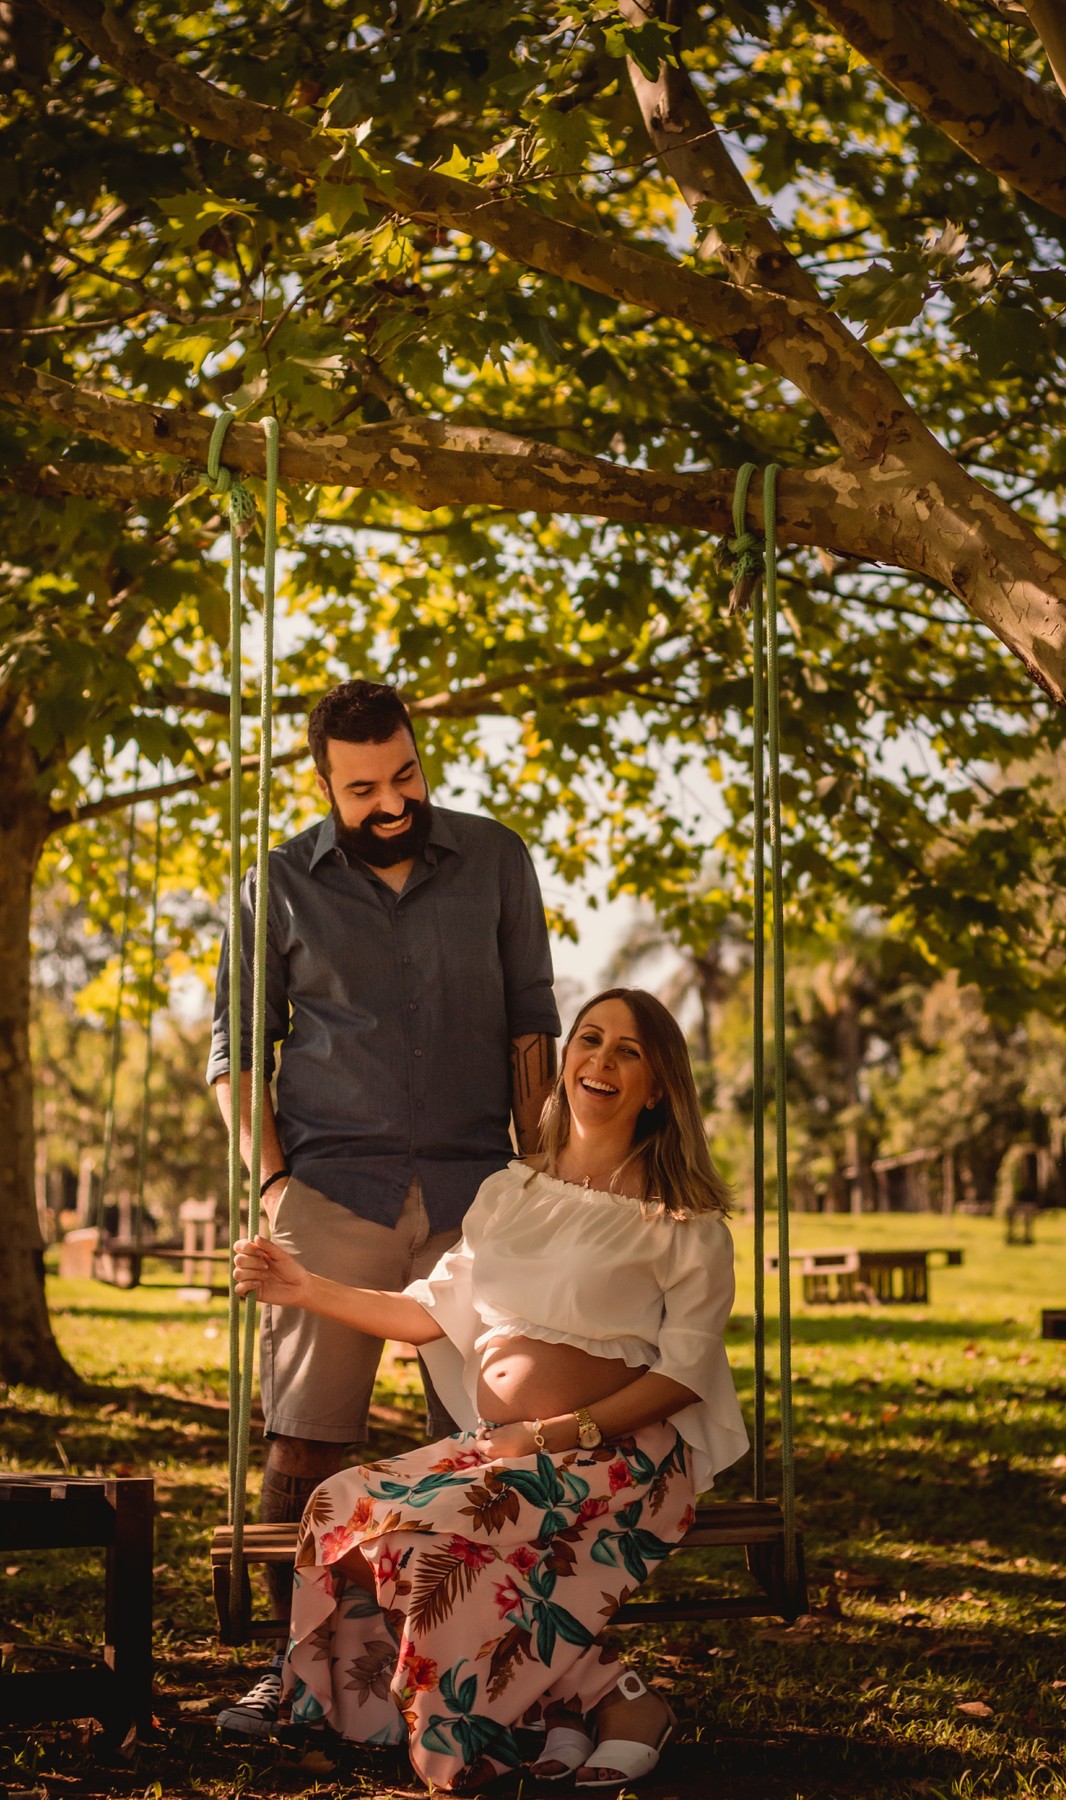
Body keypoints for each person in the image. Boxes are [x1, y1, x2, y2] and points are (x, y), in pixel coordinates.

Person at [231, 987, 748, 1791]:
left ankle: (588, 1707)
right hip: (503, 1454)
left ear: (659, 1086)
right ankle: (592, 1700)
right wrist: (303, 1288)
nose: (601, 1061)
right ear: (564, 1060)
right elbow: (423, 1313)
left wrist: (554, 1434)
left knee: (430, 1539)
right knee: (341, 1505)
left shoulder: (681, 1223)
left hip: (617, 1457)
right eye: (589, 1039)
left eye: (629, 1051)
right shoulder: (510, 1194)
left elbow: (682, 1375)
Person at [208, 679, 560, 1734]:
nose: (391, 800)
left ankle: (483, 1672)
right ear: (324, 784)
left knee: (483, 1441)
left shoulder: (496, 859)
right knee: (308, 1443)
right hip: (330, 1191)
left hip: (476, 1194)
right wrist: (273, 1185)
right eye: (362, 788)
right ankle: (300, 1670)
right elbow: (236, 1055)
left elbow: (531, 1029)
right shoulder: (274, 885)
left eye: (404, 773)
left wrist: (539, 1179)